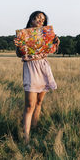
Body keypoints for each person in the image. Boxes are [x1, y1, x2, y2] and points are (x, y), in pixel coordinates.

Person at [16, 11, 60, 144]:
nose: (40, 20)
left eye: (43, 19)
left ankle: (34, 128)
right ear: (31, 20)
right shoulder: (23, 34)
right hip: (30, 68)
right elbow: (19, 54)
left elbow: (51, 50)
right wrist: (18, 45)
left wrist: (56, 43)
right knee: (30, 105)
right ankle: (26, 138)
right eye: (37, 18)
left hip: (43, 67)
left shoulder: (47, 33)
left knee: (39, 102)